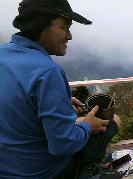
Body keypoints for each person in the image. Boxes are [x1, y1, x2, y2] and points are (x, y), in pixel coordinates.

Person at [0, 0, 121, 178]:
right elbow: (62, 145)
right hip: (40, 172)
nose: (70, 36)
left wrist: (59, 100)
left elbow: (17, 101)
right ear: (40, 25)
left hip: (8, 165)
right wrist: (88, 126)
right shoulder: (47, 72)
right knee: (113, 121)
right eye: (65, 27)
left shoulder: (4, 55)